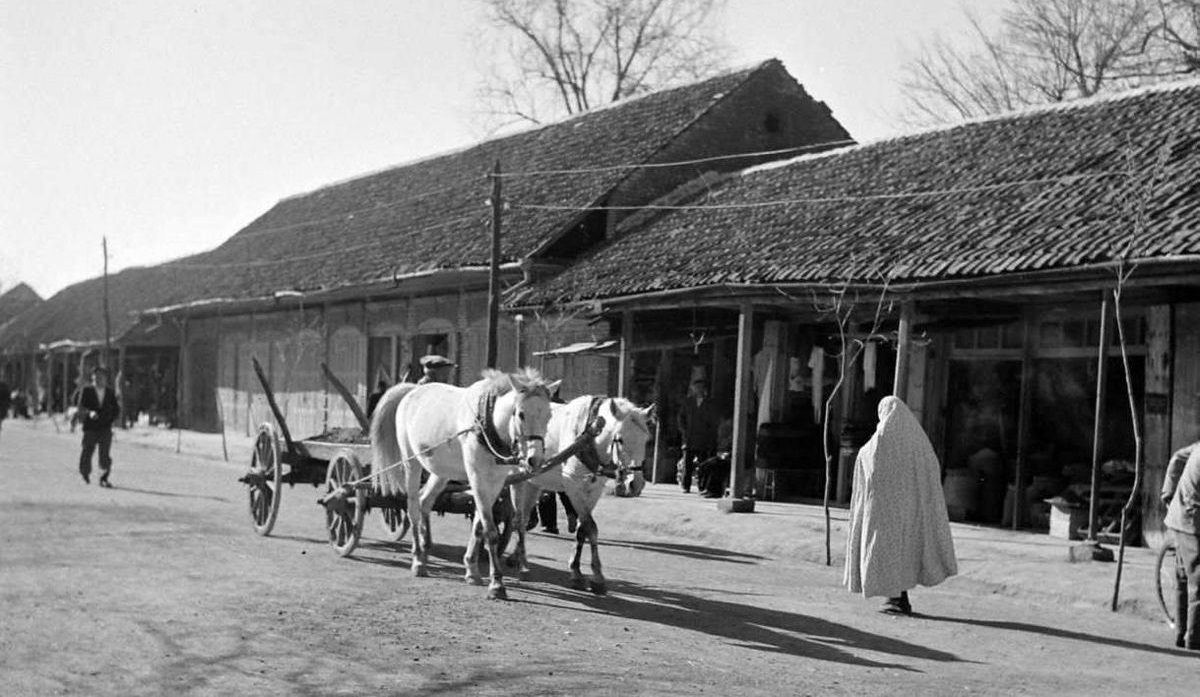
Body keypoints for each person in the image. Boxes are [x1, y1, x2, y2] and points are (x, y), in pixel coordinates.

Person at [844, 396, 957, 615]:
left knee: (888, 553)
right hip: (913, 513)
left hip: (882, 515)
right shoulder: (922, 447)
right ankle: (900, 597)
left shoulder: (873, 448)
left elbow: (863, 481)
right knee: (907, 553)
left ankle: (895, 598)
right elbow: (931, 477)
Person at [1162, 442, 1200, 650]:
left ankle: (1180, 632)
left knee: (1183, 576)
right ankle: (1194, 639)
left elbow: (1177, 457)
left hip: (1179, 515)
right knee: (1198, 581)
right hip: (1191, 521)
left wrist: (1167, 492)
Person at [676, 378, 722, 494]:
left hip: (703, 439)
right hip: (689, 437)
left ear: (704, 389)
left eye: (701, 387)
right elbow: (681, 418)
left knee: (703, 464)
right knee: (688, 463)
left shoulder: (710, 403)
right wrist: (684, 431)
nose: (699, 390)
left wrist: (710, 435)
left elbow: (714, 421)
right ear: (693, 389)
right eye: (696, 387)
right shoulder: (688, 402)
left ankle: (702, 486)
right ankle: (685, 486)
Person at [77, 366, 121, 487]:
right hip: (91, 427)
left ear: (105, 379)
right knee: (87, 451)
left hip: (105, 427)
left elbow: (116, 409)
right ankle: (85, 473)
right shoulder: (87, 391)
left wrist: (111, 419)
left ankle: (104, 477)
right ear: (92, 378)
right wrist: (89, 413)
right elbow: (81, 408)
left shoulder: (110, 393)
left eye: (101, 377)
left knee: (105, 455)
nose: (98, 379)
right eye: (96, 377)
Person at [696, 417, 733, 499]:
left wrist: (728, 454)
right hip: (723, 456)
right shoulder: (723, 435)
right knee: (704, 465)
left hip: (731, 458)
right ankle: (705, 487)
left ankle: (714, 491)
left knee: (716, 466)